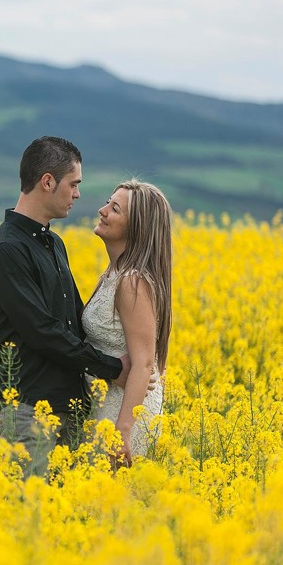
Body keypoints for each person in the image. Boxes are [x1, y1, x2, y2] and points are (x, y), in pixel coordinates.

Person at [0, 136, 132, 478]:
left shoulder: (54, 244)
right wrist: (110, 367)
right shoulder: (7, 250)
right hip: (27, 412)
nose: (78, 194)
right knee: (28, 521)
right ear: (48, 182)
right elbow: (42, 331)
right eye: (73, 184)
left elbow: (73, 323)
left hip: (70, 410)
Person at [83, 180, 173, 465]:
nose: (102, 210)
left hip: (122, 413)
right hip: (104, 405)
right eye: (108, 202)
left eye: (115, 208)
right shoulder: (114, 274)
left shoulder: (132, 282)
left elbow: (144, 362)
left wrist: (122, 432)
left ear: (136, 228)